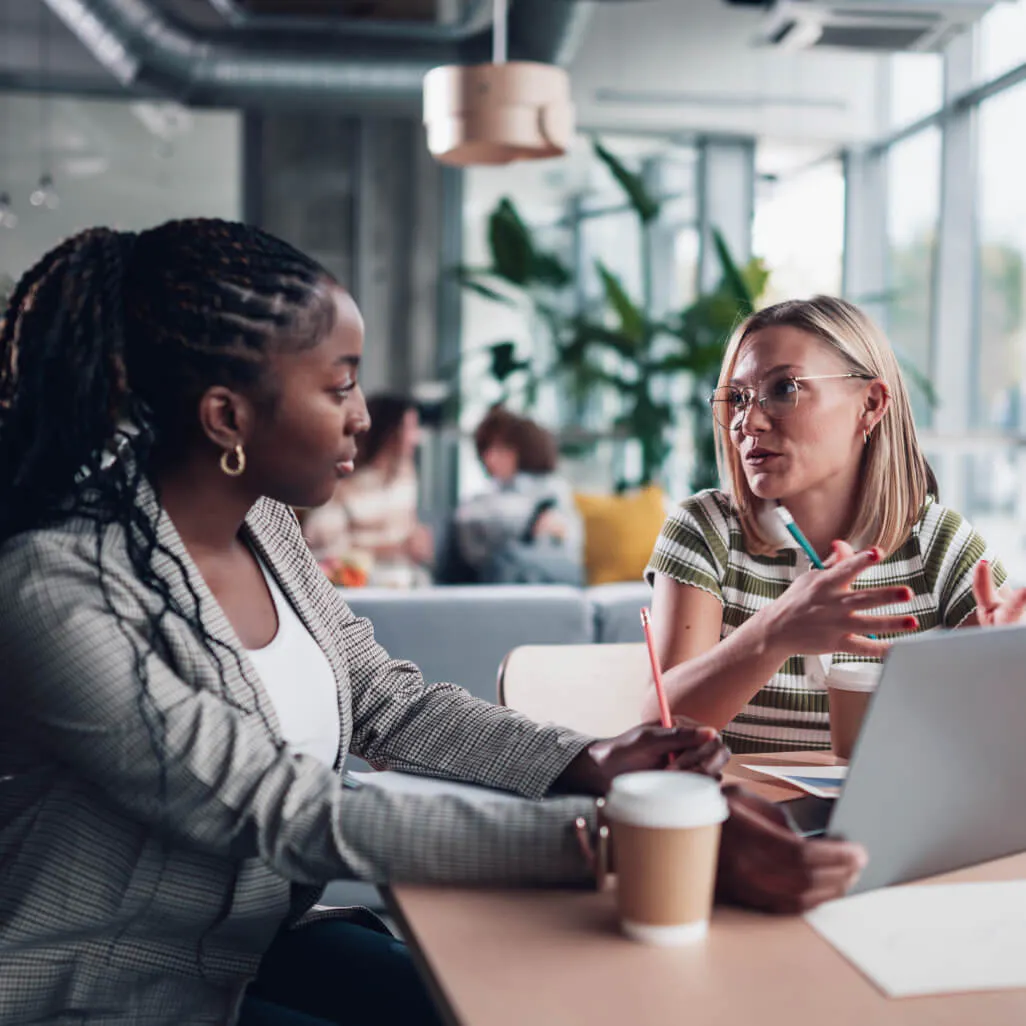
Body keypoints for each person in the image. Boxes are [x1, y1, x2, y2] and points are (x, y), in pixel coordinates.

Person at [0, 222, 865, 1026]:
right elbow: (280, 808)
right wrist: (636, 841)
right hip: (105, 990)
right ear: (227, 417)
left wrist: (583, 761)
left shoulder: (261, 524)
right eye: (338, 385)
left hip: (255, 948)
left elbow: (384, 699)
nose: (365, 415)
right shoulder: (58, 589)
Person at [645, 295, 1026, 755]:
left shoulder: (937, 542)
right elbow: (657, 733)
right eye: (738, 398)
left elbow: (990, 747)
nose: (749, 421)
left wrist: (1005, 663)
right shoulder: (706, 532)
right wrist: (774, 632)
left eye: (784, 389)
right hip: (746, 821)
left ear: (870, 403)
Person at [303, 394, 434, 588]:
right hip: (360, 588)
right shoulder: (342, 484)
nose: (416, 438)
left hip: (407, 584)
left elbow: (407, 531)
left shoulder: (406, 477)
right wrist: (394, 549)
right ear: (390, 434)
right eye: (410, 429)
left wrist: (418, 540)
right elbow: (323, 551)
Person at [451, 405, 584, 584]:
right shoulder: (485, 499)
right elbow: (468, 526)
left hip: (551, 571)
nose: (489, 459)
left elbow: (569, 541)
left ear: (523, 449)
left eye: (500, 450)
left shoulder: (552, 489)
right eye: (485, 450)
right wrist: (533, 519)